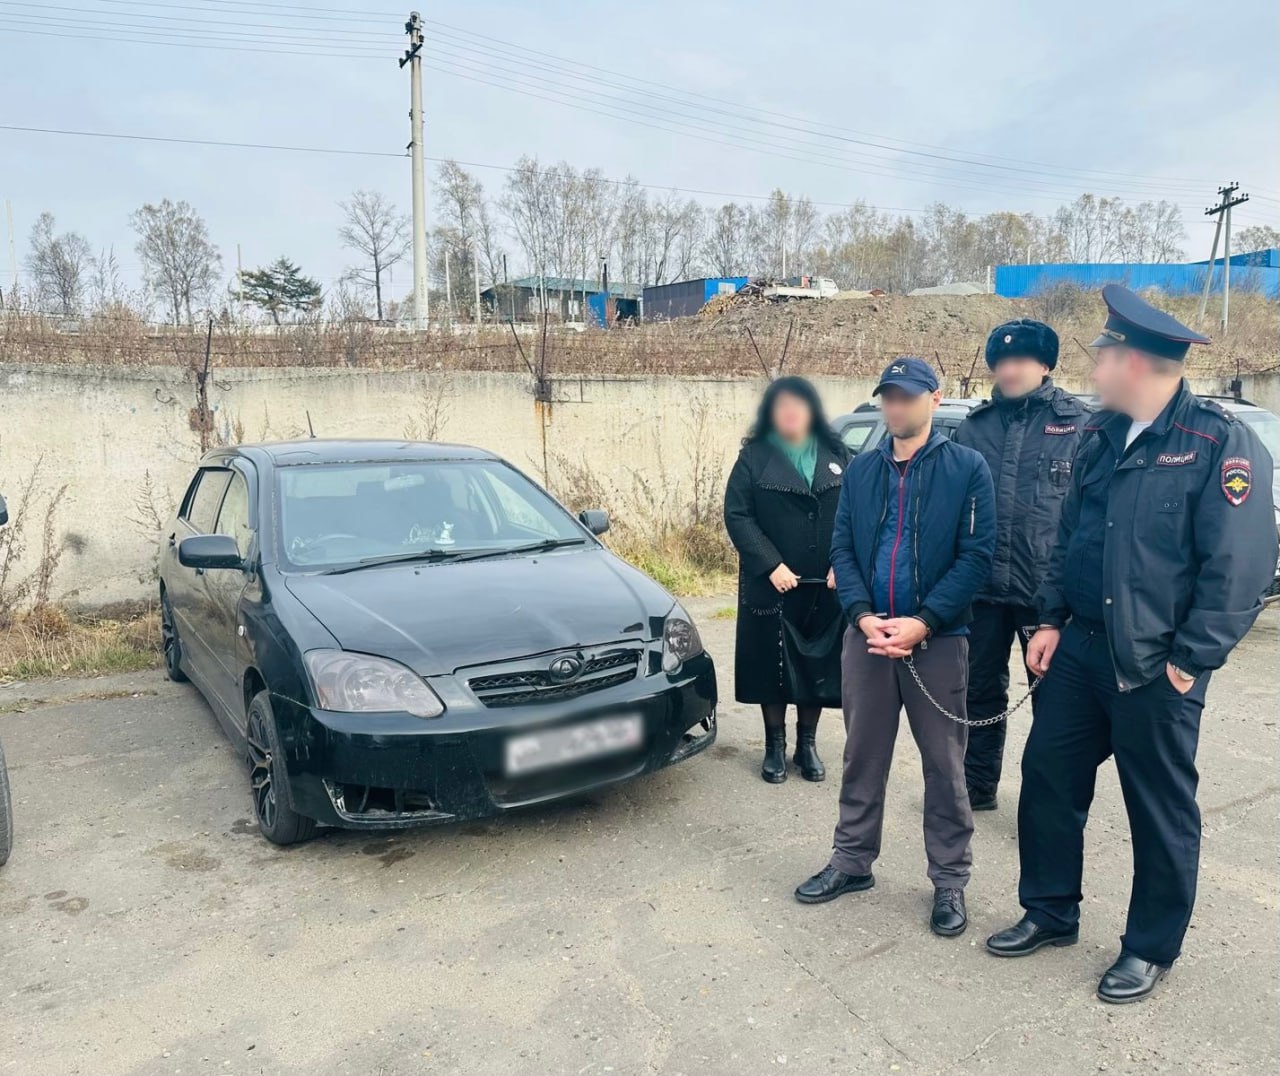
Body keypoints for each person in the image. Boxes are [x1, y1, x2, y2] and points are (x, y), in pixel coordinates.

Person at [986, 285, 1277, 1004]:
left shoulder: (1216, 441)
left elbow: (1239, 569)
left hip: (1156, 666)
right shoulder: (1099, 435)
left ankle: (1149, 947)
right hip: (1080, 650)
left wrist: (1189, 661)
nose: (1094, 366)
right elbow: (1068, 538)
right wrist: (1048, 618)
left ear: (1138, 363)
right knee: (1048, 783)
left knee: (1159, 809)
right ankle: (1050, 910)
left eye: (1104, 354)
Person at [794, 357, 995, 938]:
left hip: (936, 642)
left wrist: (924, 622)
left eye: (907, 396)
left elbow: (976, 556)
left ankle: (950, 881)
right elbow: (843, 550)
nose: (896, 407)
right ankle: (852, 862)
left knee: (944, 766)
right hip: (867, 640)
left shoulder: (966, 469)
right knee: (862, 757)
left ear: (935, 398)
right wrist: (860, 617)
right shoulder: (861, 471)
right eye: (888, 397)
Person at [954, 320, 1090, 811]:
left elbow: (1091, 515)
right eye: (1002, 362)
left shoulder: (1078, 425)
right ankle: (976, 787)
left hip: (1047, 596)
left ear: (1045, 365)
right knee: (978, 696)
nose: (1009, 370)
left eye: (1021, 361)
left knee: (1054, 705)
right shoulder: (975, 426)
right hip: (983, 590)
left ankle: (1047, 803)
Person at [724, 376, 852, 783]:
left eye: (799, 405)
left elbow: (858, 514)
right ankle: (774, 746)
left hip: (824, 585)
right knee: (773, 668)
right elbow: (738, 515)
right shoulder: (754, 458)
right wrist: (770, 564)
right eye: (782, 407)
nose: (791, 413)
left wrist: (843, 563)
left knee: (815, 665)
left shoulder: (838, 454)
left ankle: (807, 744)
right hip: (773, 584)